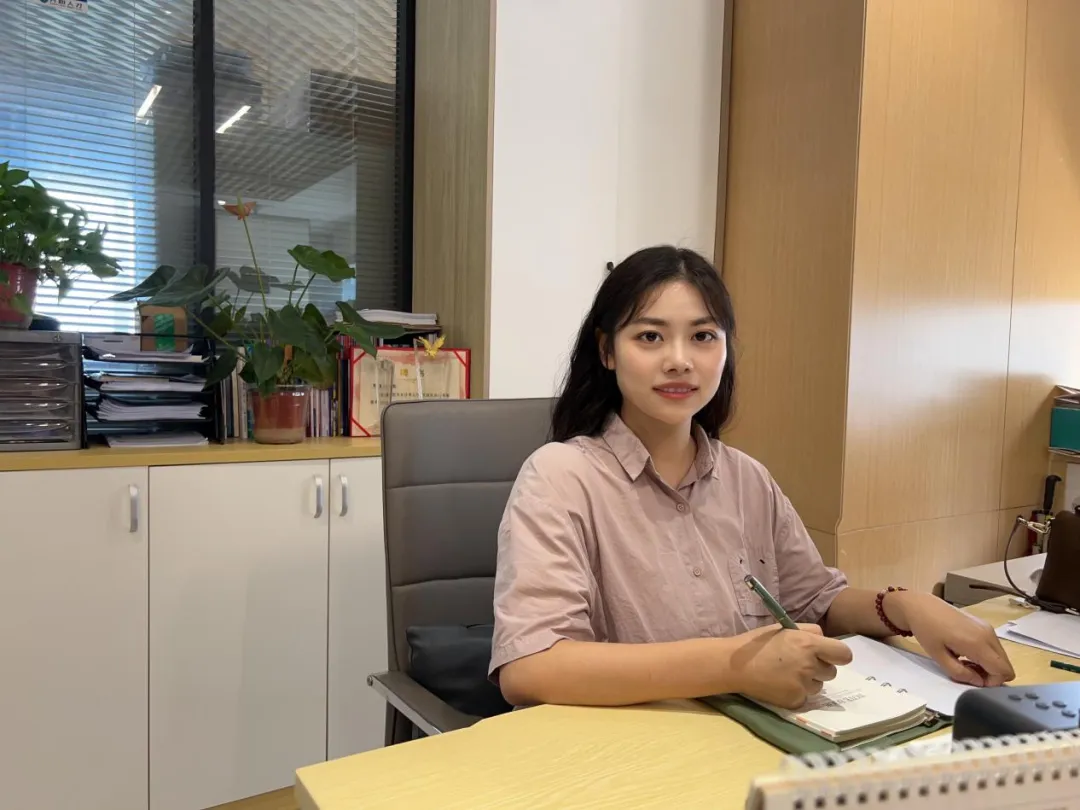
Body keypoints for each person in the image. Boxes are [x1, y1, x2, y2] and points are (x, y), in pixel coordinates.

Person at [489, 245, 1015, 711]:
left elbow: (816, 601)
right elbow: (531, 668)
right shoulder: (560, 477)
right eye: (650, 336)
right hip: (625, 755)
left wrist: (907, 606)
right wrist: (737, 666)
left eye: (702, 336)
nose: (679, 361)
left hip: (750, 741)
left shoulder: (747, 478)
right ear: (607, 351)